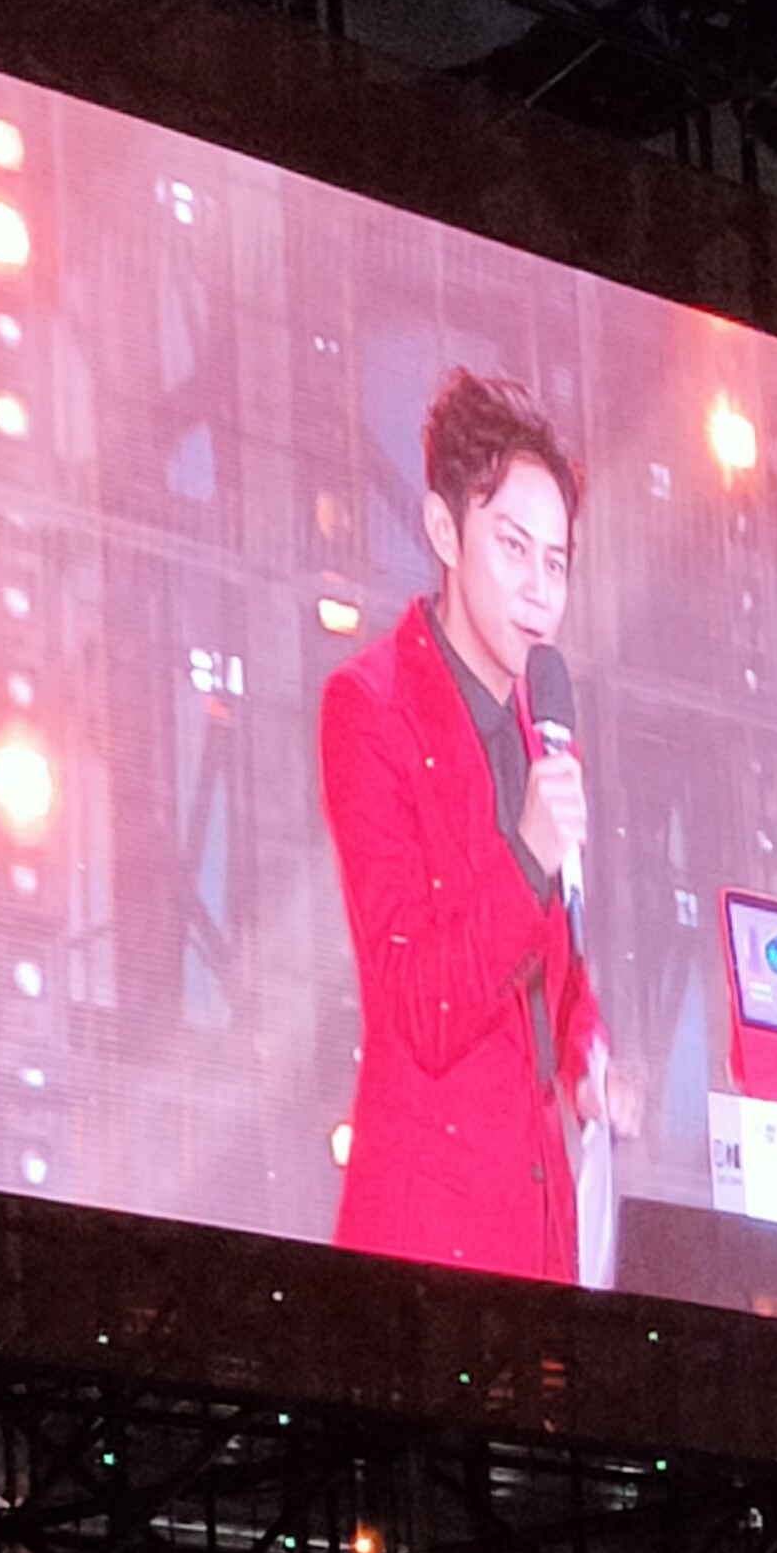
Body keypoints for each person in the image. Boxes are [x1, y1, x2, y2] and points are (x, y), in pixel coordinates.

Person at [323, 369, 626, 1280]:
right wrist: (527, 851)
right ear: (444, 531)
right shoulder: (370, 709)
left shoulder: (546, 737)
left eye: (556, 563)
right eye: (513, 548)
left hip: (541, 1234)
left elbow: (557, 974)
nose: (540, 591)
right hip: (427, 1238)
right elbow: (419, 1005)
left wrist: (590, 1062)